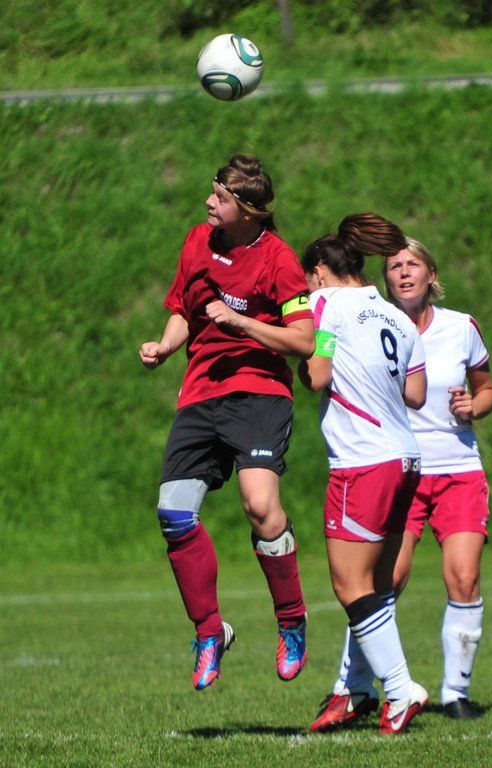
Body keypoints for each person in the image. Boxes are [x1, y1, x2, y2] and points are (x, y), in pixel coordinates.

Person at [139, 154, 315, 691]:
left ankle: (292, 622)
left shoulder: (280, 260)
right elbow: (183, 309)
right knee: (174, 514)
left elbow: (305, 341)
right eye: (212, 192)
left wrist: (241, 322)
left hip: (258, 392)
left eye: (219, 197)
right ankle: (210, 633)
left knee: (260, 507)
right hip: (201, 391)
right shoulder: (197, 241)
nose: (208, 203)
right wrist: (166, 347)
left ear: (248, 211)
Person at [312, 237, 492, 730]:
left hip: (456, 468)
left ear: (430, 274)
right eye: (395, 266)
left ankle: (455, 693)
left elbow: (486, 386)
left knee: (463, 577)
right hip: (402, 468)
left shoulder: (461, 327)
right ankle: (355, 687)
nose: (404, 273)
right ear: (384, 278)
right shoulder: (377, 320)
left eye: (413, 264)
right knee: (383, 581)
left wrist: (474, 406)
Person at [299, 215, 429, 735]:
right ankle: (353, 689)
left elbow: (318, 375)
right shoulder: (399, 318)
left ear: (320, 273)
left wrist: (300, 357)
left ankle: (399, 689)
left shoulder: (326, 305)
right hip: (407, 458)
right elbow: (416, 394)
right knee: (376, 585)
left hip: (362, 461)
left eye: (308, 281)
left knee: (349, 583)